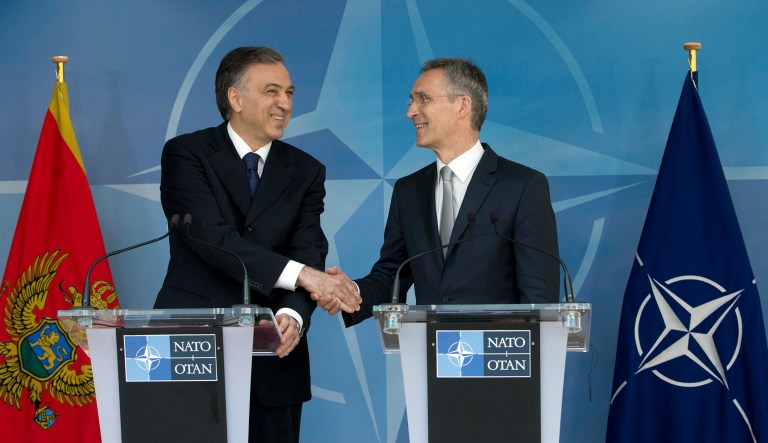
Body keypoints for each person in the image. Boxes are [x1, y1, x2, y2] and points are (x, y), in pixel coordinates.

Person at [154, 46, 360, 442]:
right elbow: (211, 237)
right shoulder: (186, 154)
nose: (285, 103)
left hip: (274, 359)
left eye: (289, 92)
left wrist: (295, 317)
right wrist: (308, 278)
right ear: (235, 98)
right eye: (272, 91)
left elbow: (308, 249)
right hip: (193, 349)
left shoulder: (305, 169)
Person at [328, 57, 560, 325]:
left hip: (499, 358)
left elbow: (538, 297)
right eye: (411, 101)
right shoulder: (408, 191)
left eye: (423, 99)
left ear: (462, 105)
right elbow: (392, 275)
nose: (411, 111)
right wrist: (351, 293)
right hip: (431, 357)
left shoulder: (522, 186)